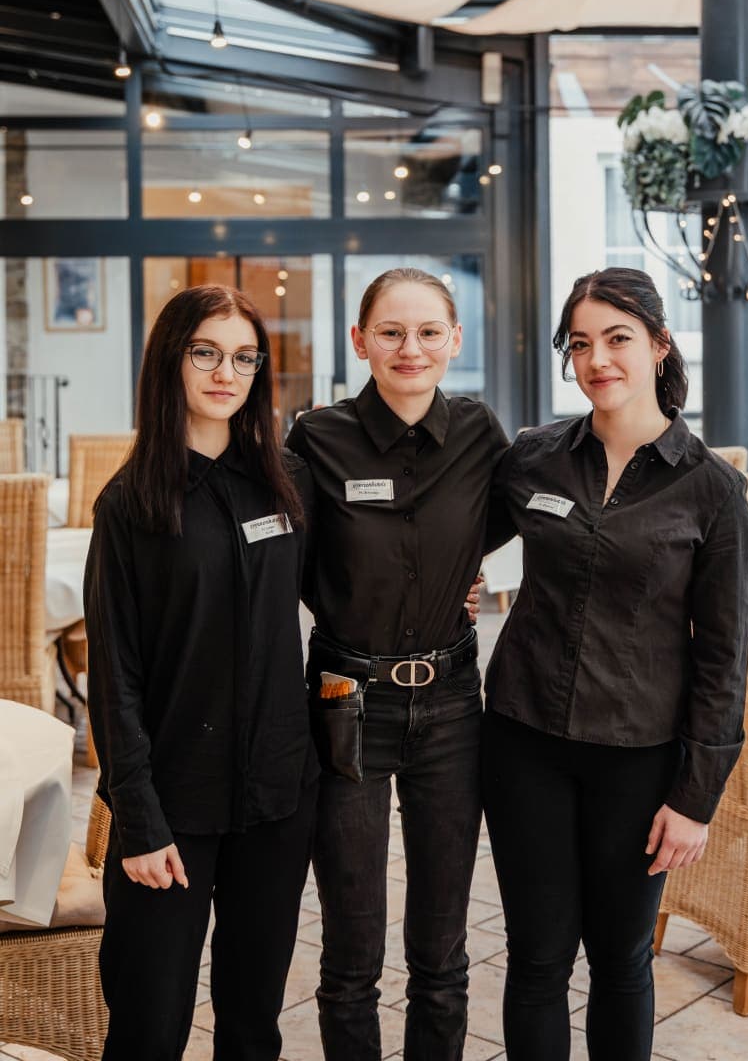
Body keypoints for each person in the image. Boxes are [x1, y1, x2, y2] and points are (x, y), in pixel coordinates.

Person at [481, 267, 748, 1061]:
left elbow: (725, 662)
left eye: (617, 339)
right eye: (580, 343)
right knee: (536, 959)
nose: (597, 358)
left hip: (638, 761)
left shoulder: (713, 492)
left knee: (620, 961)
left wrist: (697, 796)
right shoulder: (535, 458)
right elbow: (450, 547)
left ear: (659, 345)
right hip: (522, 739)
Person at [85, 285, 318, 1061]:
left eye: (246, 357)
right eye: (207, 353)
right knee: (150, 1025)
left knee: (253, 1022)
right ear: (171, 361)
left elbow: (341, 593)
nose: (228, 372)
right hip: (171, 810)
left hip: (275, 799)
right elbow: (111, 677)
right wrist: (139, 823)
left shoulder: (282, 482)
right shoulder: (130, 503)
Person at [286, 267, 513, 1061]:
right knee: (351, 950)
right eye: (390, 332)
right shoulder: (317, 438)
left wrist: (458, 573)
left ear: (454, 341)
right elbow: (283, 560)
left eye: (427, 332)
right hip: (345, 701)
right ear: (360, 341)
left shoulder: (482, 433)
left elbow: (518, 522)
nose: (409, 348)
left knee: (443, 951)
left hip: (451, 703)